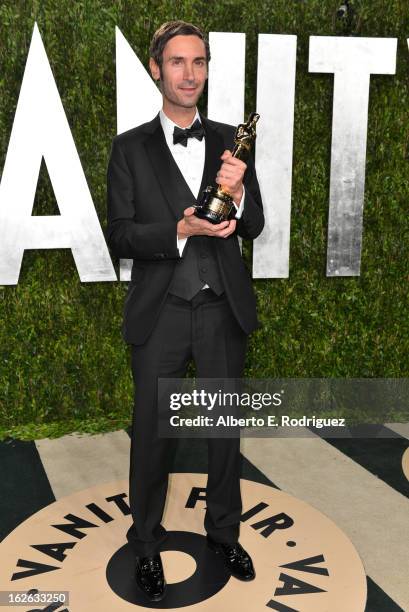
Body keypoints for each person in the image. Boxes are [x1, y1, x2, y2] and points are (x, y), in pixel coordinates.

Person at [106, 20, 264, 602]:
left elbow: (255, 223)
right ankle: (146, 544)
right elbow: (119, 234)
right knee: (152, 436)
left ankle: (223, 532)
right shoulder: (129, 148)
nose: (189, 73)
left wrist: (242, 195)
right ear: (157, 69)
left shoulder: (230, 141)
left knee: (224, 433)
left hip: (222, 308)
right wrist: (176, 229)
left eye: (198, 62)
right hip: (161, 312)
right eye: (177, 62)